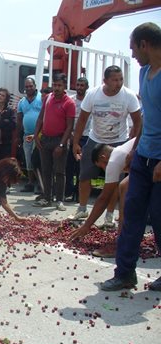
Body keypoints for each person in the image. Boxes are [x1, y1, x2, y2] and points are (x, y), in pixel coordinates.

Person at [101, 22, 161, 291]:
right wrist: (136, 148)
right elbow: (147, 117)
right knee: (131, 215)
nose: (133, 55)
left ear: (145, 44)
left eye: (134, 49)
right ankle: (125, 273)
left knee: (159, 218)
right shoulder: (144, 72)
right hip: (143, 157)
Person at [71, 65, 141, 223]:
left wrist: (133, 144)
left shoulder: (128, 96)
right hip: (95, 139)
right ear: (105, 81)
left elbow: (138, 121)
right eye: (115, 80)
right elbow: (82, 119)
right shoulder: (93, 94)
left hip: (119, 141)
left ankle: (109, 215)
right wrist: (75, 142)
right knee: (84, 175)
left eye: (121, 79)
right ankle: (82, 209)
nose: (119, 82)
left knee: (115, 179)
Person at [69, 138, 136, 257]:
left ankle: (121, 244)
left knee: (125, 190)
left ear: (103, 157)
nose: (104, 170)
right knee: (124, 185)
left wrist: (86, 226)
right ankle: (127, 238)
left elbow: (104, 198)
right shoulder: (121, 151)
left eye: (101, 167)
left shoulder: (113, 161)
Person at [33, 73, 76, 211]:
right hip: (45, 139)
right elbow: (41, 118)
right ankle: (47, 197)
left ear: (65, 86)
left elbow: (70, 126)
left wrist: (62, 145)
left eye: (59, 85)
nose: (56, 88)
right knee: (46, 170)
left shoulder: (69, 103)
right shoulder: (48, 98)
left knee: (59, 172)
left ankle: (59, 200)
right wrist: (36, 135)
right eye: (55, 85)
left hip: (59, 140)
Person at [65, 77, 92, 202]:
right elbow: (66, 120)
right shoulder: (71, 101)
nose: (80, 87)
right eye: (78, 85)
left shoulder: (90, 101)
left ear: (87, 87)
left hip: (86, 137)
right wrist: (70, 135)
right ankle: (69, 193)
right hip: (71, 136)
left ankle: (79, 194)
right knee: (69, 167)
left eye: (82, 85)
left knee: (81, 168)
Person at [17, 77, 42, 193]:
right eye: (26, 87)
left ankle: (40, 184)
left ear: (35, 86)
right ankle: (30, 183)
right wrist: (18, 135)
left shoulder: (41, 98)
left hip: (39, 135)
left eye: (30, 86)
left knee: (37, 160)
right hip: (26, 135)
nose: (28, 88)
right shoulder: (22, 102)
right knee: (28, 160)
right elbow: (19, 118)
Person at [0, 88, 17, 165]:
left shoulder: (10, 110)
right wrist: (5, 121)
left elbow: (14, 124)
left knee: (4, 165)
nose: (0, 96)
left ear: (6, 99)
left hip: (6, 143)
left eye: (3, 95)